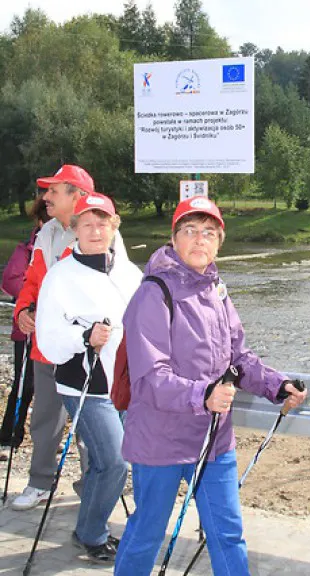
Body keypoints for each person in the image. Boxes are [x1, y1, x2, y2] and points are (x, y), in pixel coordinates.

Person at [115, 196, 307, 576]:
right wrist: (202, 395)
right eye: (189, 230)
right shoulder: (153, 293)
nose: (199, 239)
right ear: (173, 239)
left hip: (214, 437)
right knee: (147, 532)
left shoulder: (216, 290)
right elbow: (149, 378)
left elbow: (239, 357)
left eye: (208, 232)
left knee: (227, 533)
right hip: (160, 438)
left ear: (219, 241)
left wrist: (276, 385)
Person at [35, 192, 142, 563]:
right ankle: (93, 533)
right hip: (85, 387)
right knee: (115, 461)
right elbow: (47, 341)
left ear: (114, 228)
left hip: (127, 385)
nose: (95, 231)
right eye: (87, 224)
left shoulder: (129, 273)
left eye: (103, 223)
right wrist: (84, 337)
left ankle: (86, 526)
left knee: (104, 463)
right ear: (75, 230)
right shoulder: (60, 277)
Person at [12, 164, 126, 511]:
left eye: (53, 191)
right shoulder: (45, 232)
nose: (45, 197)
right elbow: (33, 283)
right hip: (48, 347)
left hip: (91, 351)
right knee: (46, 417)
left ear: (76, 196)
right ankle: (40, 483)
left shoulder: (102, 234)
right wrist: (23, 311)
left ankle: (93, 484)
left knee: (91, 427)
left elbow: (116, 291)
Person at [0, 198, 49, 460]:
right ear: (40, 222)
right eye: (47, 219)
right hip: (28, 330)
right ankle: (9, 435)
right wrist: (34, 305)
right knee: (24, 384)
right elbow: (10, 280)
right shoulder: (27, 249)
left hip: (56, 334)